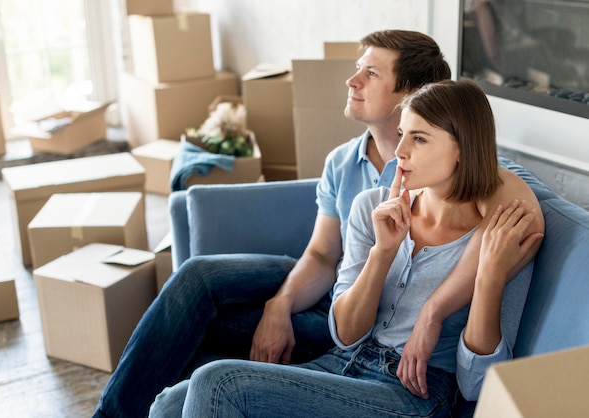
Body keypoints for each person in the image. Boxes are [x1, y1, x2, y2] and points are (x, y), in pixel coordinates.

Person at [93, 31, 542, 417]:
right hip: (345, 349)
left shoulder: (499, 225)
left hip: (413, 392)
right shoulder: (363, 190)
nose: (402, 152)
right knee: (170, 402)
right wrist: (377, 255)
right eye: (404, 135)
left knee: (218, 381)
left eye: (418, 137)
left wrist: (480, 282)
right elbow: (328, 273)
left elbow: (479, 383)